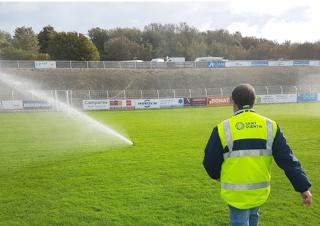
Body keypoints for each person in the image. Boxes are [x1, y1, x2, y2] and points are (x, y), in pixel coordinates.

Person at [203, 84, 312, 226]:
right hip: (259, 191)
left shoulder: (223, 128)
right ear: (254, 101)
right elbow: (288, 160)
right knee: (254, 217)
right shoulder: (270, 126)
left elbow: (209, 160)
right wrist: (303, 188)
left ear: (233, 102)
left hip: (236, 194)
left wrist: (216, 175)